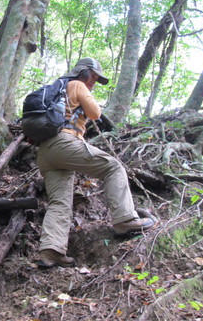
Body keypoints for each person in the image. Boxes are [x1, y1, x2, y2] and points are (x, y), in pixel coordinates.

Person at [36, 57, 156, 268]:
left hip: (45, 152)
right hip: (64, 142)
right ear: (83, 72)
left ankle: (50, 251)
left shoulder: (58, 89)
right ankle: (125, 220)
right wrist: (88, 97)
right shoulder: (77, 85)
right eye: (93, 77)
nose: (93, 82)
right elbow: (95, 113)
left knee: (60, 202)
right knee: (113, 167)